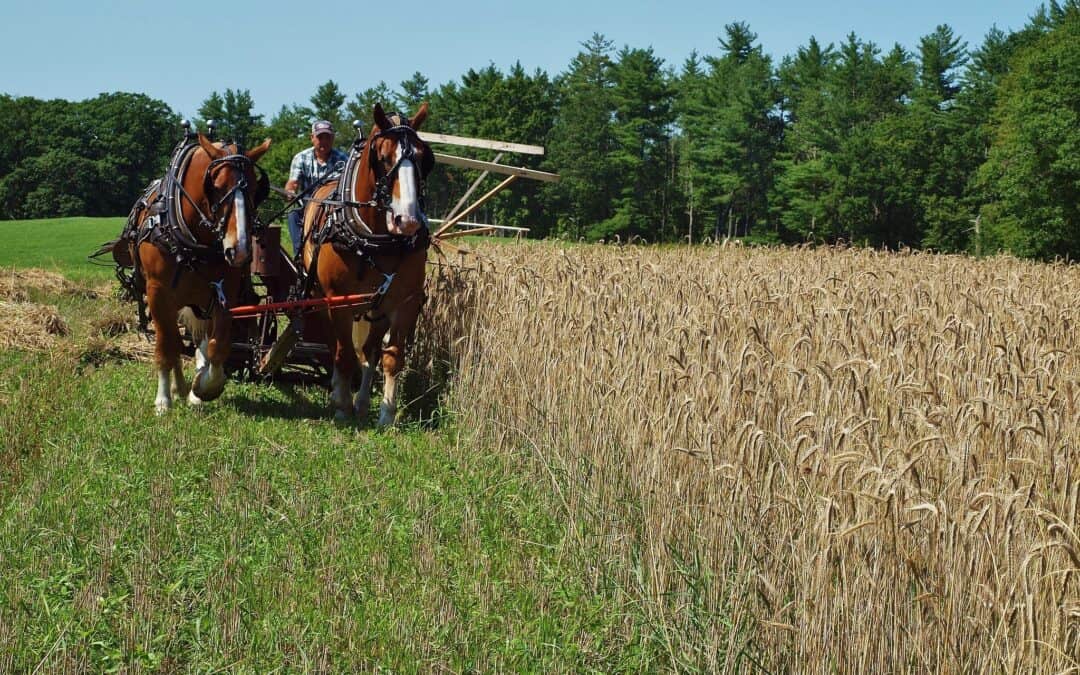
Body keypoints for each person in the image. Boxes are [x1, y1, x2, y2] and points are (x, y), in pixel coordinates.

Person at [285, 120, 349, 256]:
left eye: (328, 137)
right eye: (320, 137)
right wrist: (290, 191)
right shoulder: (301, 158)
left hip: (334, 210)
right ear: (312, 138)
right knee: (293, 215)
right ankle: (299, 255)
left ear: (333, 138)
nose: (324, 141)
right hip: (308, 208)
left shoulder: (343, 159)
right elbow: (293, 182)